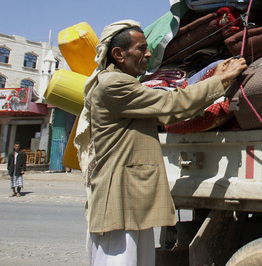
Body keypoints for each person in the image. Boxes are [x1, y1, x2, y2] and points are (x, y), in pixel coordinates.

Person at [74, 20, 246, 266]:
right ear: (118, 54)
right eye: (141, 48)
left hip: (131, 198)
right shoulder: (113, 85)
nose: (148, 53)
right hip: (119, 196)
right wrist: (220, 81)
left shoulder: (125, 84)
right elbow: (171, 105)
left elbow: (168, 105)